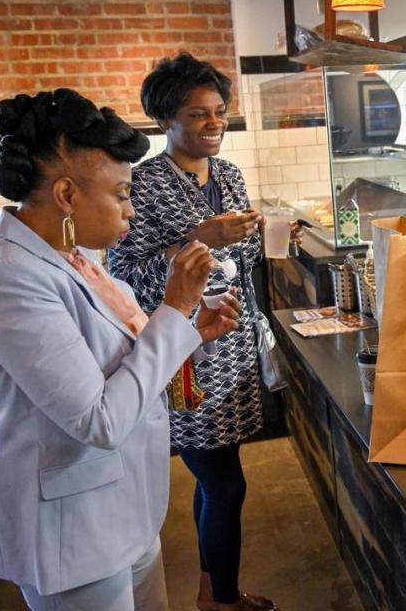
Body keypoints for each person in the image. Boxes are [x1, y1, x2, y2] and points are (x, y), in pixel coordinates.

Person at [0, 88, 239, 610]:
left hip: (122, 506)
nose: (130, 210)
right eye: (121, 195)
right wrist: (174, 310)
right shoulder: (7, 279)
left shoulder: (74, 256)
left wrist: (193, 333)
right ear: (66, 194)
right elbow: (99, 420)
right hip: (68, 530)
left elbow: (119, 362)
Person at [109, 52, 279, 611]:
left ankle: (214, 592)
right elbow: (125, 276)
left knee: (217, 484)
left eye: (220, 112)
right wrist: (196, 240)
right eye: (199, 114)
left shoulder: (228, 174)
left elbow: (247, 253)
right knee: (225, 484)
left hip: (236, 351)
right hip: (185, 357)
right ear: (166, 121)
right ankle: (222, 601)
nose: (214, 124)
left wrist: (255, 236)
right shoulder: (143, 184)